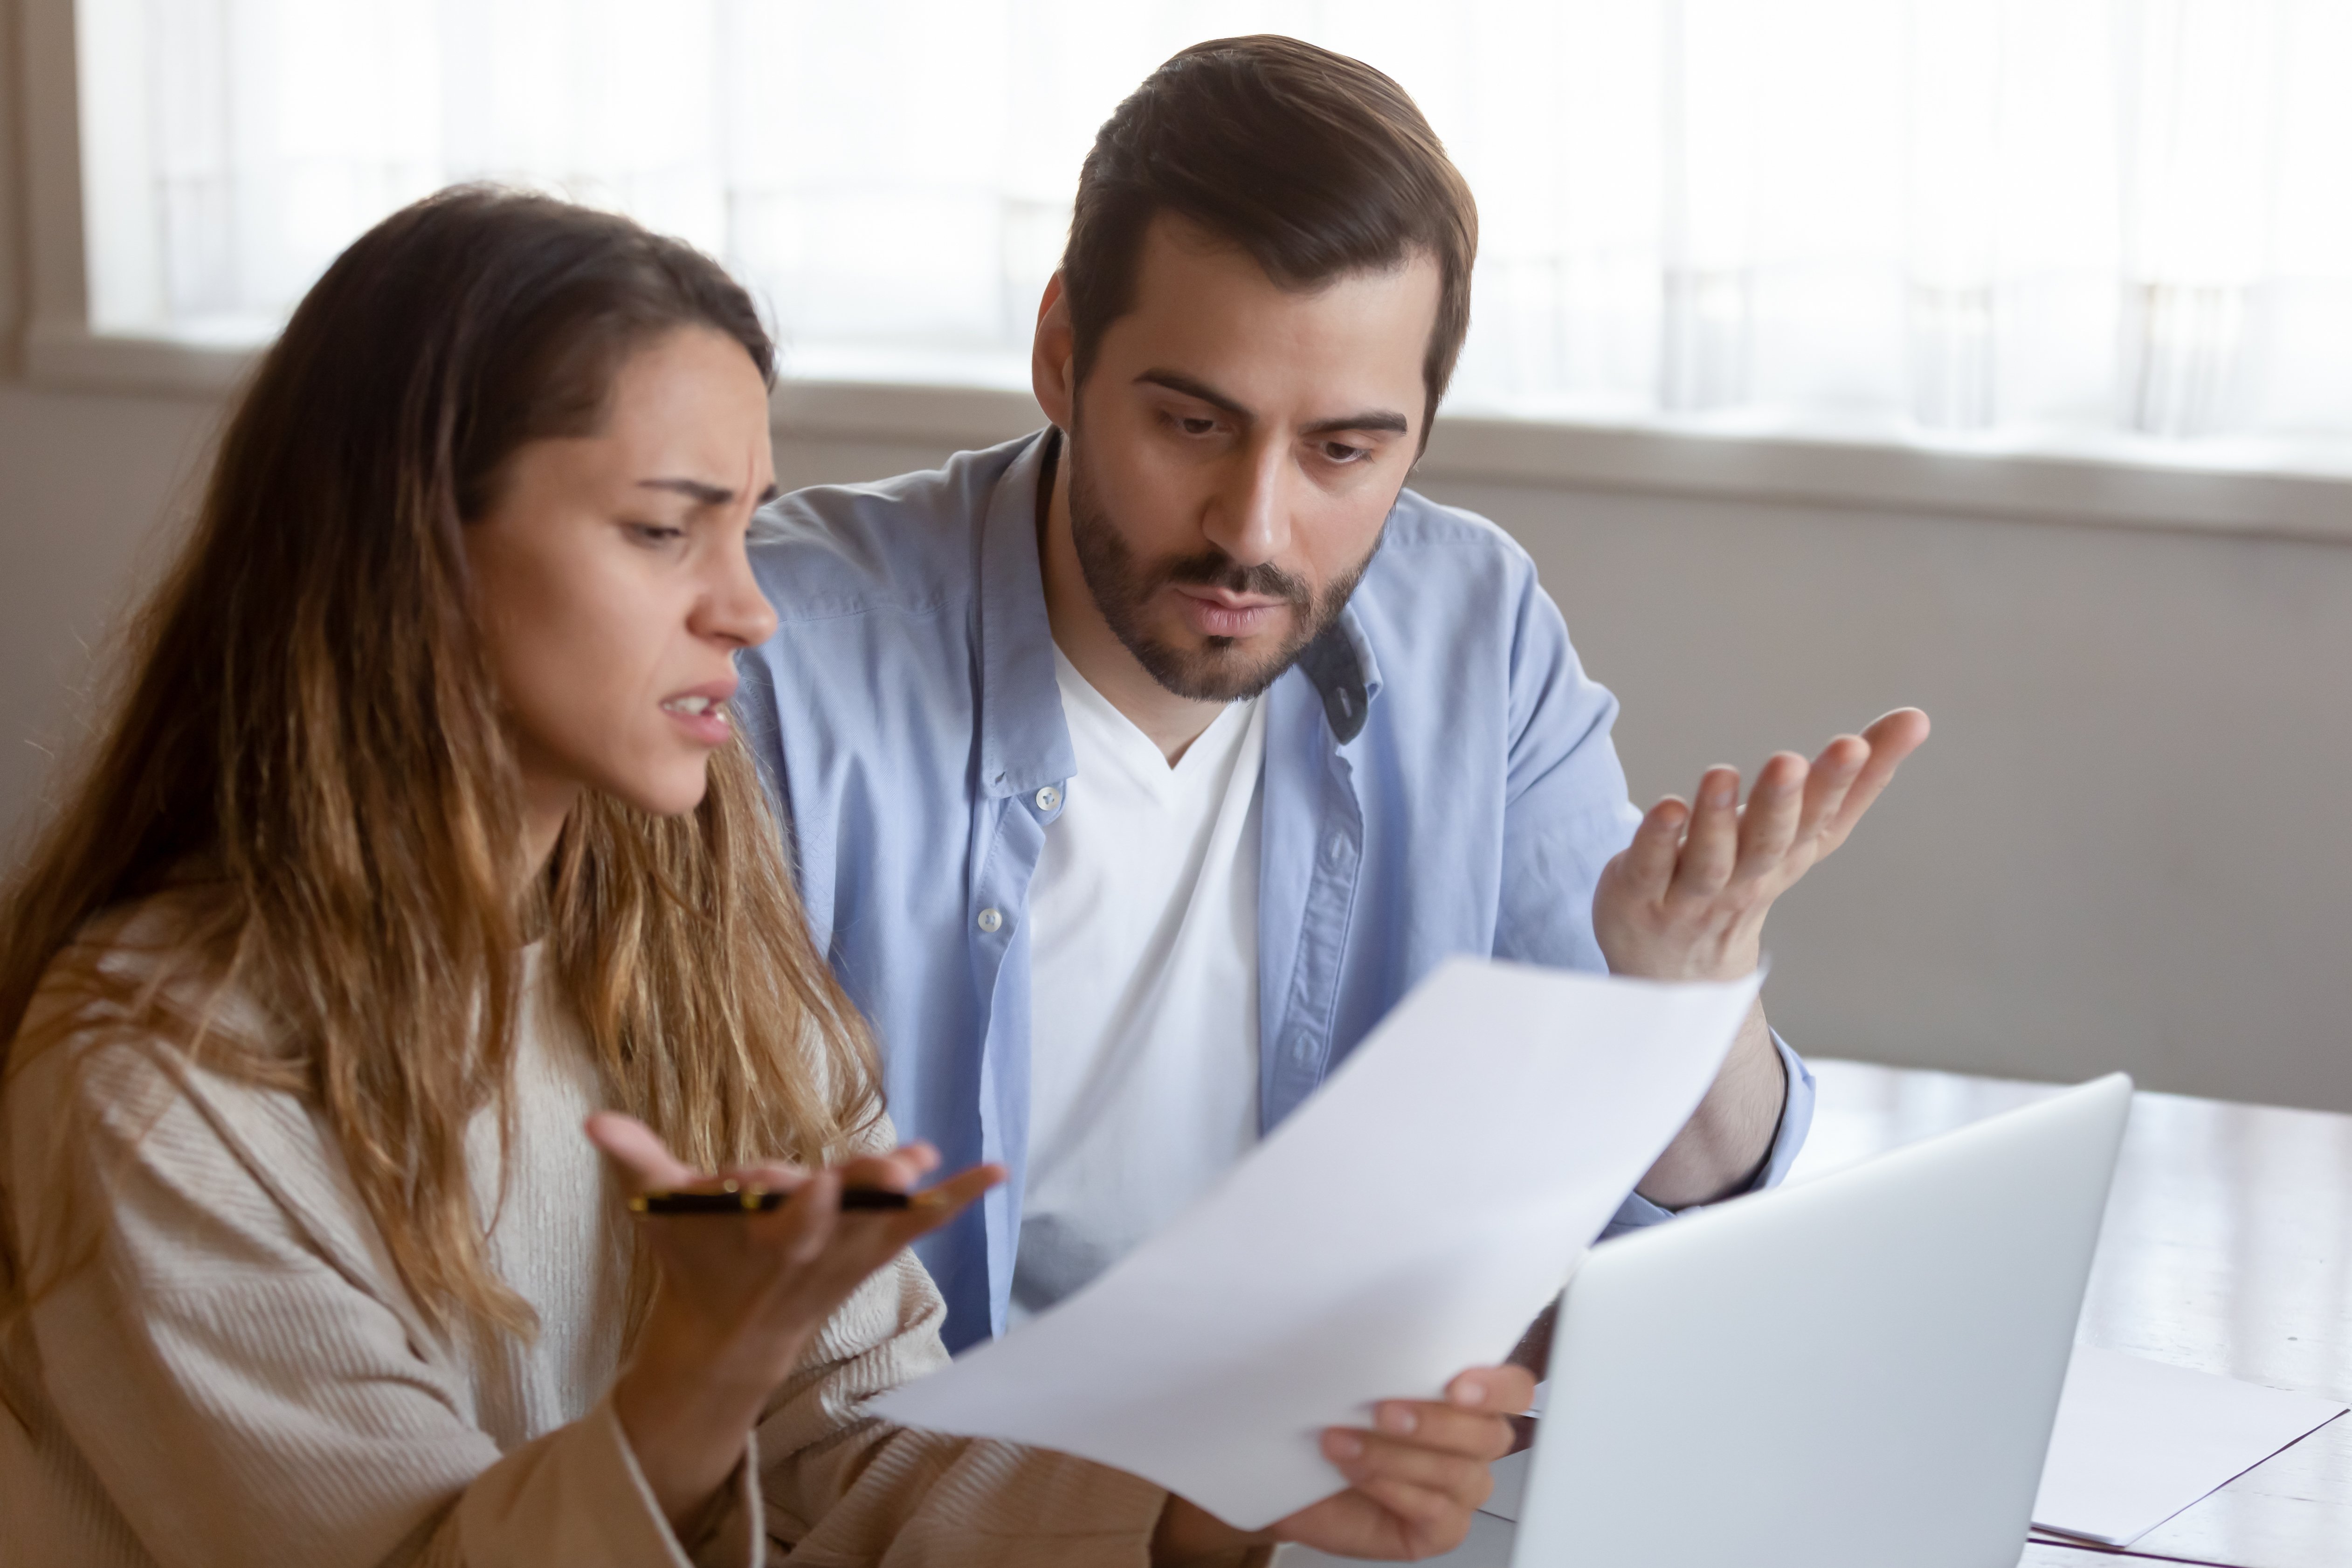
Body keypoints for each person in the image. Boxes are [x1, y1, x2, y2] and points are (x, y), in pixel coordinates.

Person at [0, 187, 1532, 1567]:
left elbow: (859, 1441)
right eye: (668, 531)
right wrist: (685, 1398)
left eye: (743, 528)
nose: (746, 609)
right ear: (415, 547)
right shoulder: (162, 1084)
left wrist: (1201, 1510)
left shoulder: (681, 920)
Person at [736, 34, 1932, 1351]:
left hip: (1327, 1501)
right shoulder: (779, 666)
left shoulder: (1475, 630)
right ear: (1063, 353)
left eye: (1344, 451)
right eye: (1193, 423)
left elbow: (1646, 1238)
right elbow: (738, 1332)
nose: (1253, 528)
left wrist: (1691, 1000)